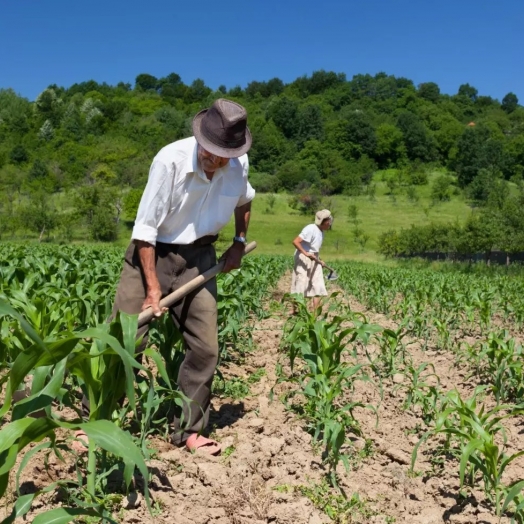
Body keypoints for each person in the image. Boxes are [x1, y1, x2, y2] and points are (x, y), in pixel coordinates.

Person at [112, 99, 254, 455]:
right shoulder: (169, 161)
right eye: (211, 150)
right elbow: (144, 230)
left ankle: (189, 430)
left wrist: (238, 242)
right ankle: (95, 417)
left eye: (224, 154)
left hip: (201, 259)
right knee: (125, 339)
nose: (216, 160)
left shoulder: (238, 165)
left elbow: (245, 200)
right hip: (152, 252)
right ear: (200, 137)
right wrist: (152, 287)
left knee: (206, 348)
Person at [290, 209, 333, 311]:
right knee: (301, 283)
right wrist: (306, 253)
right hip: (303, 258)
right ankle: (296, 311)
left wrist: (320, 260)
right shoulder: (310, 228)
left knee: (318, 285)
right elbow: (296, 242)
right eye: (329, 220)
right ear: (325, 221)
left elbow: (314, 249)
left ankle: (314, 315)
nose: (330, 223)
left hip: (314, 258)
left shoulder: (321, 232)